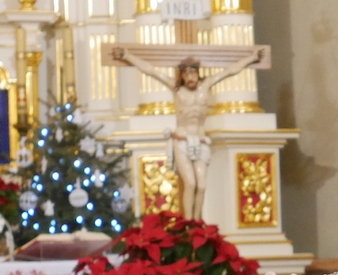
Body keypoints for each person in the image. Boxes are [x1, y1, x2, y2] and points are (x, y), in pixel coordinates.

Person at [112, 46, 265, 221]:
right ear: (182, 75)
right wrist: (127, 55)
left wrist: (251, 58)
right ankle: (188, 221)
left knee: (202, 185)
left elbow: (230, 71)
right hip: (182, 140)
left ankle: (196, 222)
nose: (190, 77)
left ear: (198, 73)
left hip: (200, 141)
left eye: (193, 73)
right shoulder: (176, 88)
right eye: (186, 74)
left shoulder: (206, 85)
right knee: (190, 183)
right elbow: (151, 71)